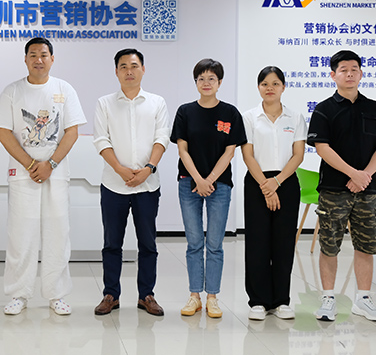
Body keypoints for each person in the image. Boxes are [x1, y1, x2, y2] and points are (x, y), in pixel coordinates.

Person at [0, 37, 86, 316]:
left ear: (52, 59)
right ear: (25, 59)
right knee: (21, 235)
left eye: (44, 54)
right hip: (23, 175)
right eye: (33, 54)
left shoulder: (64, 89)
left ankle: (57, 294)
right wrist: (32, 163)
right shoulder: (12, 91)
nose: (38, 59)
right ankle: (19, 294)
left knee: (58, 233)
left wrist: (50, 164)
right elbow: (3, 132)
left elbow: (71, 131)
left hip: (56, 174)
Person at [92, 48, 170, 316]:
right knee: (112, 244)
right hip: (114, 185)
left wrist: (148, 169)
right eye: (123, 66)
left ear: (143, 69)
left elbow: (162, 138)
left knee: (148, 244)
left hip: (148, 185)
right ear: (116, 71)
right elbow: (101, 140)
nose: (129, 71)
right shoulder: (104, 103)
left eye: (134, 66)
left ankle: (146, 295)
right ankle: (110, 295)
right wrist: (120, 169)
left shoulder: (157, 102)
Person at [171, 58, 246, 318]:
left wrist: (210, 179)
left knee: (214, 244)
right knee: (194, 243)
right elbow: (182, 149)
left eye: (211, 78)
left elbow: (230, 152)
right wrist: (199, 179)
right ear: (195, 82)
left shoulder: (230, 113)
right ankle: (194, 296)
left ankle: (212, 297)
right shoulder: (185, 111)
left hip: (220, 186)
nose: (206, 83)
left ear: (219, 82)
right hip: (188, 183)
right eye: (201, 78)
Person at [308, 50, 376, 322]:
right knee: (329, 245)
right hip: (334, 189)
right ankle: (328, 299)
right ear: (333, 75)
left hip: (368, 189)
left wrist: (365, 175)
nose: (350, 74)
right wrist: (353, 174)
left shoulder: (373, 108)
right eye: (344, 69)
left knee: (366, 245)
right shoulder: (324, 109)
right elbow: (322, 148)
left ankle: (363, 299)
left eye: (354, 69)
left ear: (361, 73)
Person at [242, 66, 306, 321]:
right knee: (257, 242)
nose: (270, 88)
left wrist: (276, 182)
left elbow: (298, 155)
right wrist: (266, 186)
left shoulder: (295, 117)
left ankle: (281, 301)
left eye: (275, 83)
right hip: (257, 182)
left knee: (283, 242)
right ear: (259, 87)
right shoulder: (249, 117)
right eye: (265, 84)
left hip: (286, 182)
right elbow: (248, 155)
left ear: (283, 87)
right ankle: (258, 301)